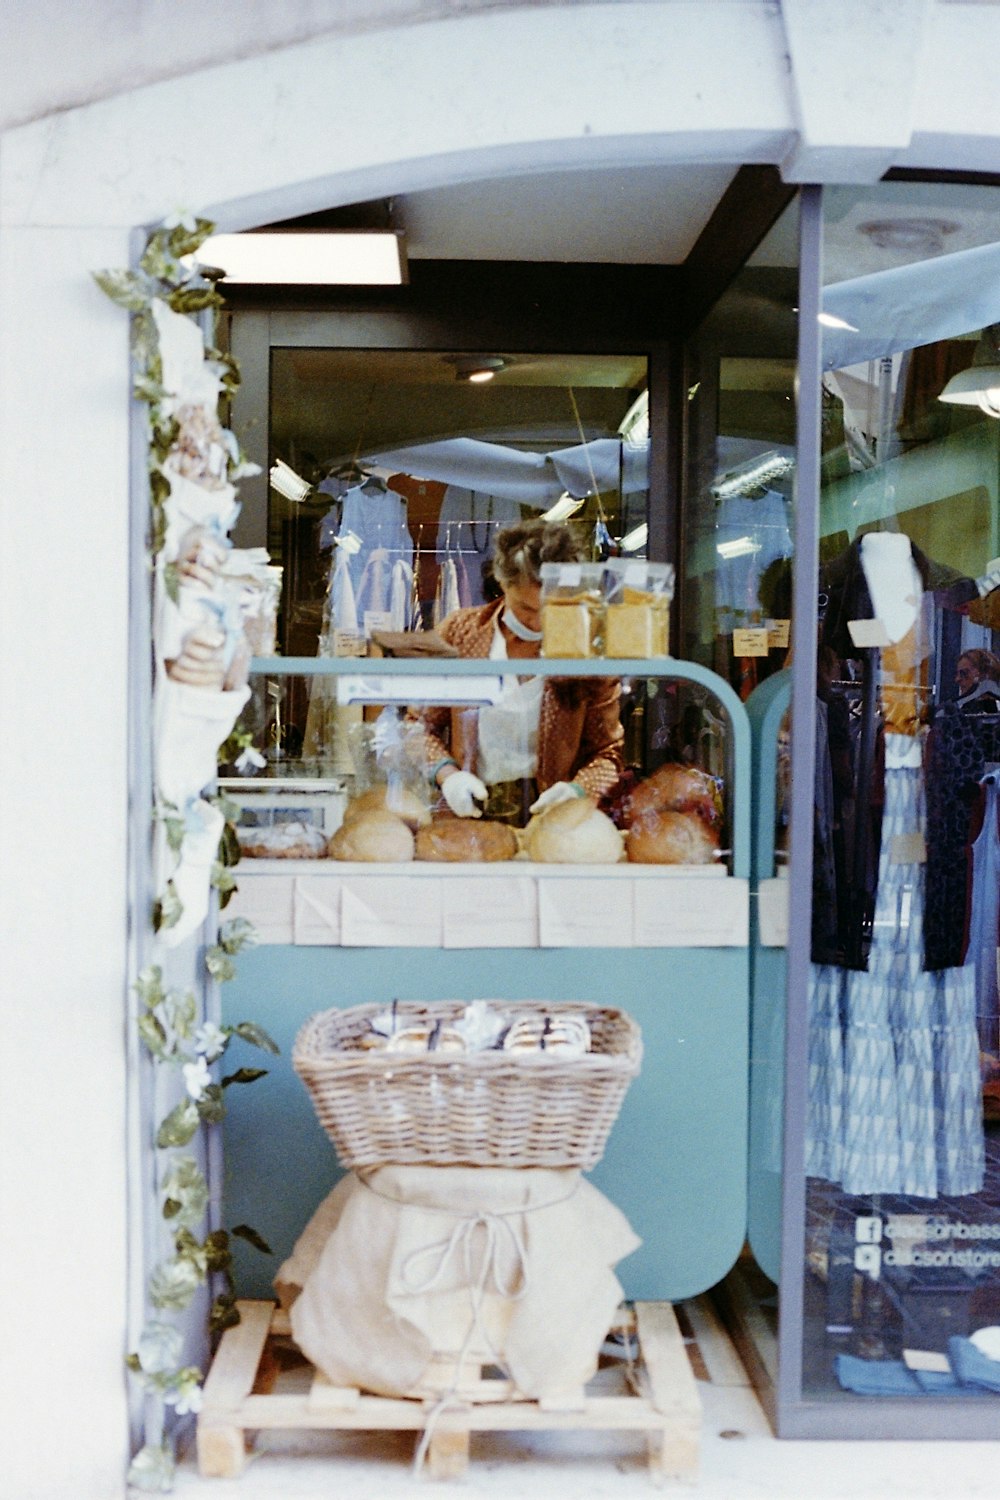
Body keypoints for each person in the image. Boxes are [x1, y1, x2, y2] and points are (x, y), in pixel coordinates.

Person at [411, 520, 624, 825]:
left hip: (555, 819)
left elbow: (609, 752)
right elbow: (418, 727)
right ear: (502, 583)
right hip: (468, 811)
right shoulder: (460, 633)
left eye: (551, 608)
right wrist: (448, 775)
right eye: (526, 608)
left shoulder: (587, 650)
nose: (538, 623)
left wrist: (578, 789)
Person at [955, 648, 1000, 712]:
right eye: (957, 674)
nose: (957, 679)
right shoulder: (959, 714)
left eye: (964, 673)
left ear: (985, 676)